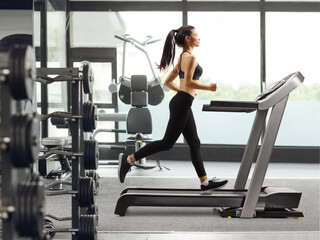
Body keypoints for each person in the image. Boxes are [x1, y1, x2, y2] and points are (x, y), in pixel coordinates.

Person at [118, 25, 228, 194]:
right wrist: (208, 87)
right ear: (187, 38)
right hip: (182, 103)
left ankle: (205, 182)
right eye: (196, 35)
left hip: (182, 101)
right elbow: (189, 83)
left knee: (194, 142)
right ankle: (129, 160)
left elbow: (169, 82)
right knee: (167, 143)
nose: (199, 38)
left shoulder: (183, 57)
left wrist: (184, 93)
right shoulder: (189, 57)